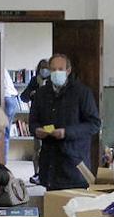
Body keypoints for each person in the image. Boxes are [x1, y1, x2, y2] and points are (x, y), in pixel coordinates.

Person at [27, 53, 101, 190]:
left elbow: (94, 124)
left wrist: (67, 132)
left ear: (68, 70)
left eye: (60, 69)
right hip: (49, 163)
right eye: (53, 69)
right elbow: (33, 122)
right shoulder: (41, 94)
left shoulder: (82, 93)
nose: (56, 73)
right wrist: (37, 130)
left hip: (74, 163)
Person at [19, 59, 50, 181]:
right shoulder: (34, 80)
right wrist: (33, 93)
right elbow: (24, 97)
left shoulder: (53, 81)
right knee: (37, 148)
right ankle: (37, 173)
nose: (44, 70)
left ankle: (45, 173)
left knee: (47, 148)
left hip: (50, 122)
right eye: (42, 68)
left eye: (46, 67)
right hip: (38, 121)